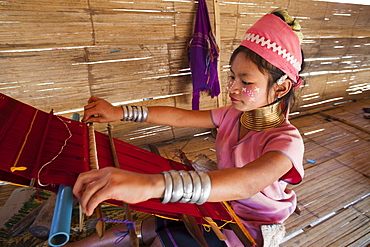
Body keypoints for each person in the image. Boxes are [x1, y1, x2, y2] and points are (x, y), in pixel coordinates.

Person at [72, 9, 305, 247]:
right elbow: (180, 117)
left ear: (281, 88)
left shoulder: (287, 142)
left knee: (162, 242)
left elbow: (247, 183)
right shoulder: (233, 115)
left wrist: (151, 184)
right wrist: (120, 112)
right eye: (232, 76)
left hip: (248, 226)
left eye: (246, 82)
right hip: (216, 202)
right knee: (146, 228)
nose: (232, 88)